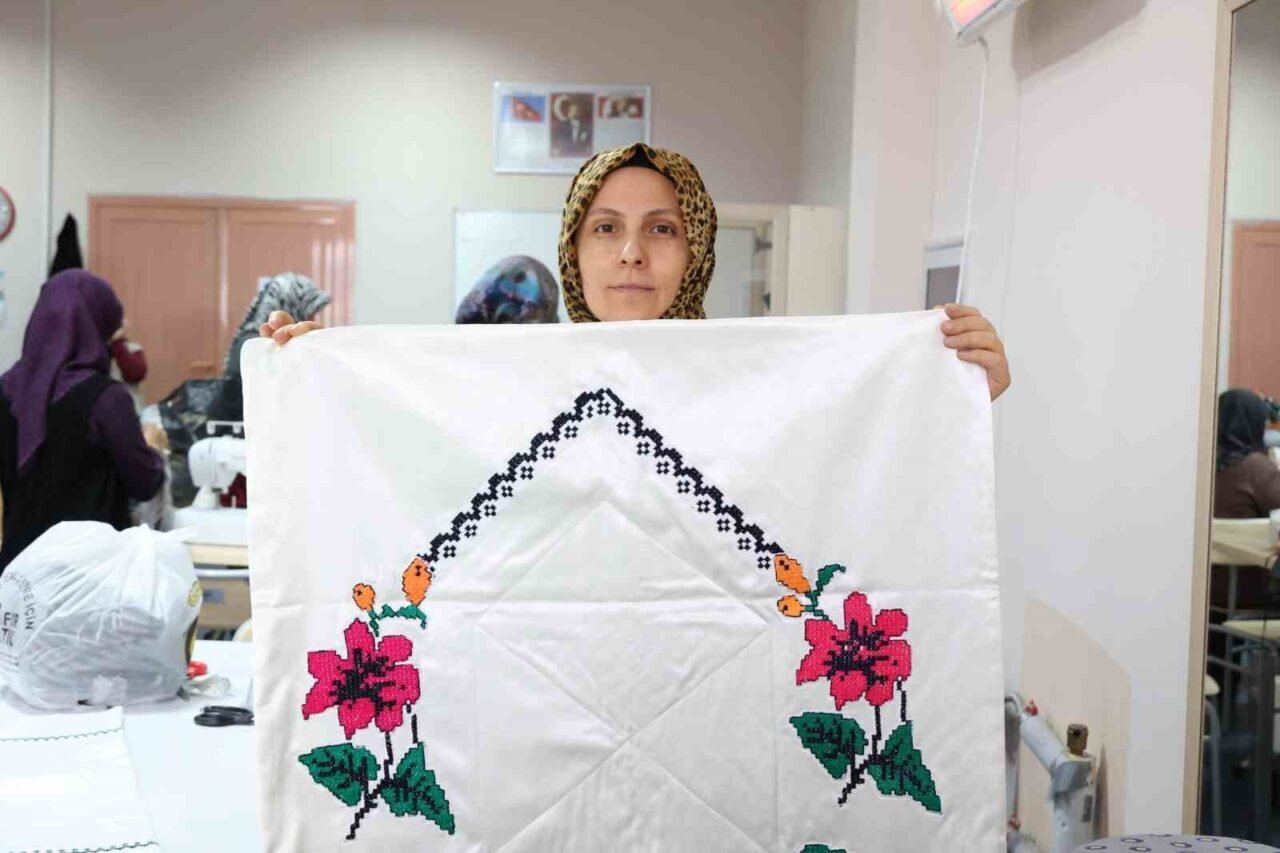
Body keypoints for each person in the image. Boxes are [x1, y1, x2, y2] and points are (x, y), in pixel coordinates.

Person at [260, 143, 1011, 402]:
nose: (631, 253)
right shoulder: (502, 381)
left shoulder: (761, 384)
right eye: (605, 228)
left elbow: (859, 474)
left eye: (662, 229)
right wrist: (317, 373)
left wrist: (954, 392)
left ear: (698, 251)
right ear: (572, 250)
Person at [0, 270, 168, 571]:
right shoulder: (106, 399)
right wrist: (152, 448)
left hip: (19, 572)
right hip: (89, 576)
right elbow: (144, 483)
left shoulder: (6, 390)